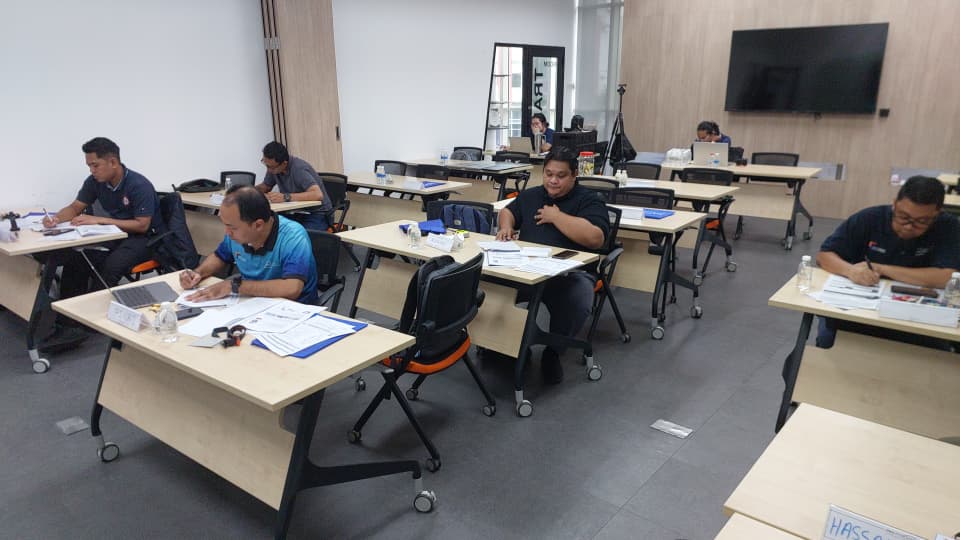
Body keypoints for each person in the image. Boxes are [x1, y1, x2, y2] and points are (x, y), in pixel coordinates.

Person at [496, 146, 609, 383]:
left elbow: (596, 238)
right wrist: (506, 226)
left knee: (579, 297)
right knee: (494, 287)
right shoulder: (532, 195)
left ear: (574, 175)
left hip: (569, 275)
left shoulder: (589, 200)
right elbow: (507, 212)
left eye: (561, 175)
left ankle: (554, 350)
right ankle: (511, 343)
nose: (553, 181)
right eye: (548, 174)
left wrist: (556, 217)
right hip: (526, 269)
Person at [815, 175, 960, 348]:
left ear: (936, 214)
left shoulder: (949, 227)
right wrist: (850, 270)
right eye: (903, 216)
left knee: (936, 354)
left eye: (921, 222)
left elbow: (947, 277)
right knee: (829, 343)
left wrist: (881, 268)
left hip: (918, 317)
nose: (909, 226)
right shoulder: (870, 218)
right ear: (894, 204)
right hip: (861, 310)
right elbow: (825, 255)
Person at [180, 186, 319, 305]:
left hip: (292, 308)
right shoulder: (236, 234)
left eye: (232, 227)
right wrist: (198, 273)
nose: (227, 232)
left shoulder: (293, 236)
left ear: (258, 225)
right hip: (251, 303)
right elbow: (220, 256)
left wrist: (234, 286)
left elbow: (292, 288)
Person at [255, 141, 333, 232]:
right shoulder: (274, 168)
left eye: (271, 167)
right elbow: (266, 186)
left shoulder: (299, 169)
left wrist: (285, 197)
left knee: (297, 235)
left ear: (284, 163)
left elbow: (317, 194)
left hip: (317, 213)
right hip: (295, 212)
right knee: (270, 228)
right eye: (266, 164)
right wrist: (248, 191)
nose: (268, 170)